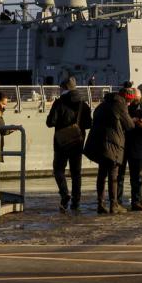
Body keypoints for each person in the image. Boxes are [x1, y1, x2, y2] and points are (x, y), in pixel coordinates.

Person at [83, 88, 133, 214]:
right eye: (129, 101)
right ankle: (114, 205)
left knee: (101, 174)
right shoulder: (120, 105)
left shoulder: (102, 105)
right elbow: (129, 125)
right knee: (113, 175)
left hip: (99, 144)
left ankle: (101, 204)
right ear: (126, 98)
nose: (130, 104)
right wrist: (135, 120)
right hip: (112, 144)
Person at [46, 76, 92, 213]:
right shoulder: (83, 104)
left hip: (61, 143)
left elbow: (50, 123)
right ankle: (76, 203)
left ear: (63, 88)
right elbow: (89, 124)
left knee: (58, 169)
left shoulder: (59, 103)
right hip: (77, 142)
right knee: (76, 173)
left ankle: (65, 194)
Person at [116, 85, 142, 211]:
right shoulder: (123, 109)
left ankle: (136, 201)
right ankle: (118, 201)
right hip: (124, 145)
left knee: (136, 177)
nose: (134, 101)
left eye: (136, 98)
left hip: (136, 145)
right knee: (120, 176)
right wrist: (132, 121)